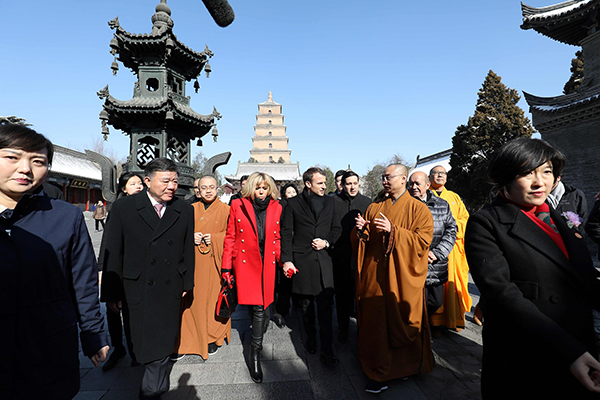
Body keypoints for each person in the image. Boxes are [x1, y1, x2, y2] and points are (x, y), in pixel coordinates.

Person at [465, 138, 600, 398]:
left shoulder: (557, 217)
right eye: (527, 173)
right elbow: (502, 294)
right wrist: (568, 351)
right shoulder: (486, 223)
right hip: (528, 352)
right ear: (505, 177)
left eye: (546, 171)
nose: (540, 182)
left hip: (579, 342)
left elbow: (585, 279)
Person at [0, 123, 108, 400]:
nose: (25, 169)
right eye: (12, 157)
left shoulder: (64, 216)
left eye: (38, 162)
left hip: (46, 345)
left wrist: (93, 332)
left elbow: (82, 280)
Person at [101, 158, 194, 399]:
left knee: (162, 344)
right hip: (135, 285)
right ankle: (152, 378)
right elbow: (113, 251)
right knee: (138, 343)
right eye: (165, 181)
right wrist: (112, 293)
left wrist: (187, 282)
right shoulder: (124, 208)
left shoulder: (184, 208)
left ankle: (152, 390)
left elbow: (187, 250)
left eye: (175, 181)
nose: (171, 186)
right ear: (148, 181)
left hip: (169, 284)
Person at [353, 163, 434, 394]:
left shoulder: (419, 210)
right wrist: (361, 231)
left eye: (389, 177)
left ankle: (406, 367)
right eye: (383, 177)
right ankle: (378, 371)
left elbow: (422, 243)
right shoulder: (375, 207)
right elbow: (366, 239)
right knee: (376, 320)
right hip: (375, 274)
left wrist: (395, 232)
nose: (385, 181)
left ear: (403, 179)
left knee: (401, 318)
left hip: (401, 277)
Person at [222, 172, 283, 382]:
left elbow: (277, 236)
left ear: (270, 189)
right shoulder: (238, 205)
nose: (261, 191)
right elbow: (231, 236)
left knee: (260, 306)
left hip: (267, 262)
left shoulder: (277, 207)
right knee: (254, 306)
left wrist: (283, 260)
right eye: (257, 187)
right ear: (251, 189)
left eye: (264, 188)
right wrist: (226, 267)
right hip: (246, 262)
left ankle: (255, 351)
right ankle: (255, 348)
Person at [281, 167, 342, 364]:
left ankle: (327, 348)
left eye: (325, 183)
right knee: (306, 306)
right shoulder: (292, 204)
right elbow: (287, 233)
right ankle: (310, 338)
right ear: (308, 184)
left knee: (325, 306)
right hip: (303, 260)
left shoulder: (330, 202)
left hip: (324, 260)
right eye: (320, 183)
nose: (325, 186)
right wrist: (287, 260)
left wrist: (327, 242)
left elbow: (336, 228)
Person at [176, 175, 231, 360]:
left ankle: (211, 337)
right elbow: (178, 235)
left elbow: (233, 238)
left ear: (218, 189)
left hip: (215, 263)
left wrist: (215, 238)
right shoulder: (189, 209)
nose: (208, 190)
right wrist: (190, 238)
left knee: (211, 300)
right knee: (191, 302)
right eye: (204, 187)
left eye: (212, 187)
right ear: (197, 190)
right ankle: (189, 339)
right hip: (194, 264)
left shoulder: (226, 210)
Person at [100, 172, 144, 371]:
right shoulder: (117, 208)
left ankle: (136, 350)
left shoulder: (148, 207)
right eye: (132, 183)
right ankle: (118, 348)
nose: (138, 186)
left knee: (132, 311)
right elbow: (108, 243)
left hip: (138, 269)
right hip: (116, 266)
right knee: (113, 309)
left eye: (140, 183)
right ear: (123, 189)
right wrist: (102, 268)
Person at [428, 165, 472, 330]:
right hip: (434, 248)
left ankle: (452, 320)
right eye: (436, 173)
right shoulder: (425, 195)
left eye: (443, 173)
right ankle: (434, 323)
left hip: (452, 250)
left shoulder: (454, 197)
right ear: (430, 177)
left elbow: (465, 219)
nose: (440, 176)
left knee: (452, 284)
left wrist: (451, 224)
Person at [408, 171, 457, 319]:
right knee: (412, 303)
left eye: (418, 184)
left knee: (435, 302)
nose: (414, 187)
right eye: (411, 184)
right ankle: (418, 334)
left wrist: (437, 253)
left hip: (435, 264)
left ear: (428, 185)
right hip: (412, 263)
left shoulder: (441, 205)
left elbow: (451, 230)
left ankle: (422, 327)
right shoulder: (405, 204)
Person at [332, 170, 371, 343]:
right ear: (342, 185)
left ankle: (363, 328)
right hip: (339, 254)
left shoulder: (367, 203)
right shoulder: (333, 202)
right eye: (348, 183)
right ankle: (343, 329)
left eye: (355, 183)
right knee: (341, 295)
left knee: (361, 295)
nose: (352, 186)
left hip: (360, 255)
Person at [272, 182, 299, 328]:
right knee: (281, 282)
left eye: (294, 192)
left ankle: (295, 306)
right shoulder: (280, 207)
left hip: (297, 247)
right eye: (289, 192)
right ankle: (280, 311)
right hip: (281, 247)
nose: (292, 195)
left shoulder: (300, 206)